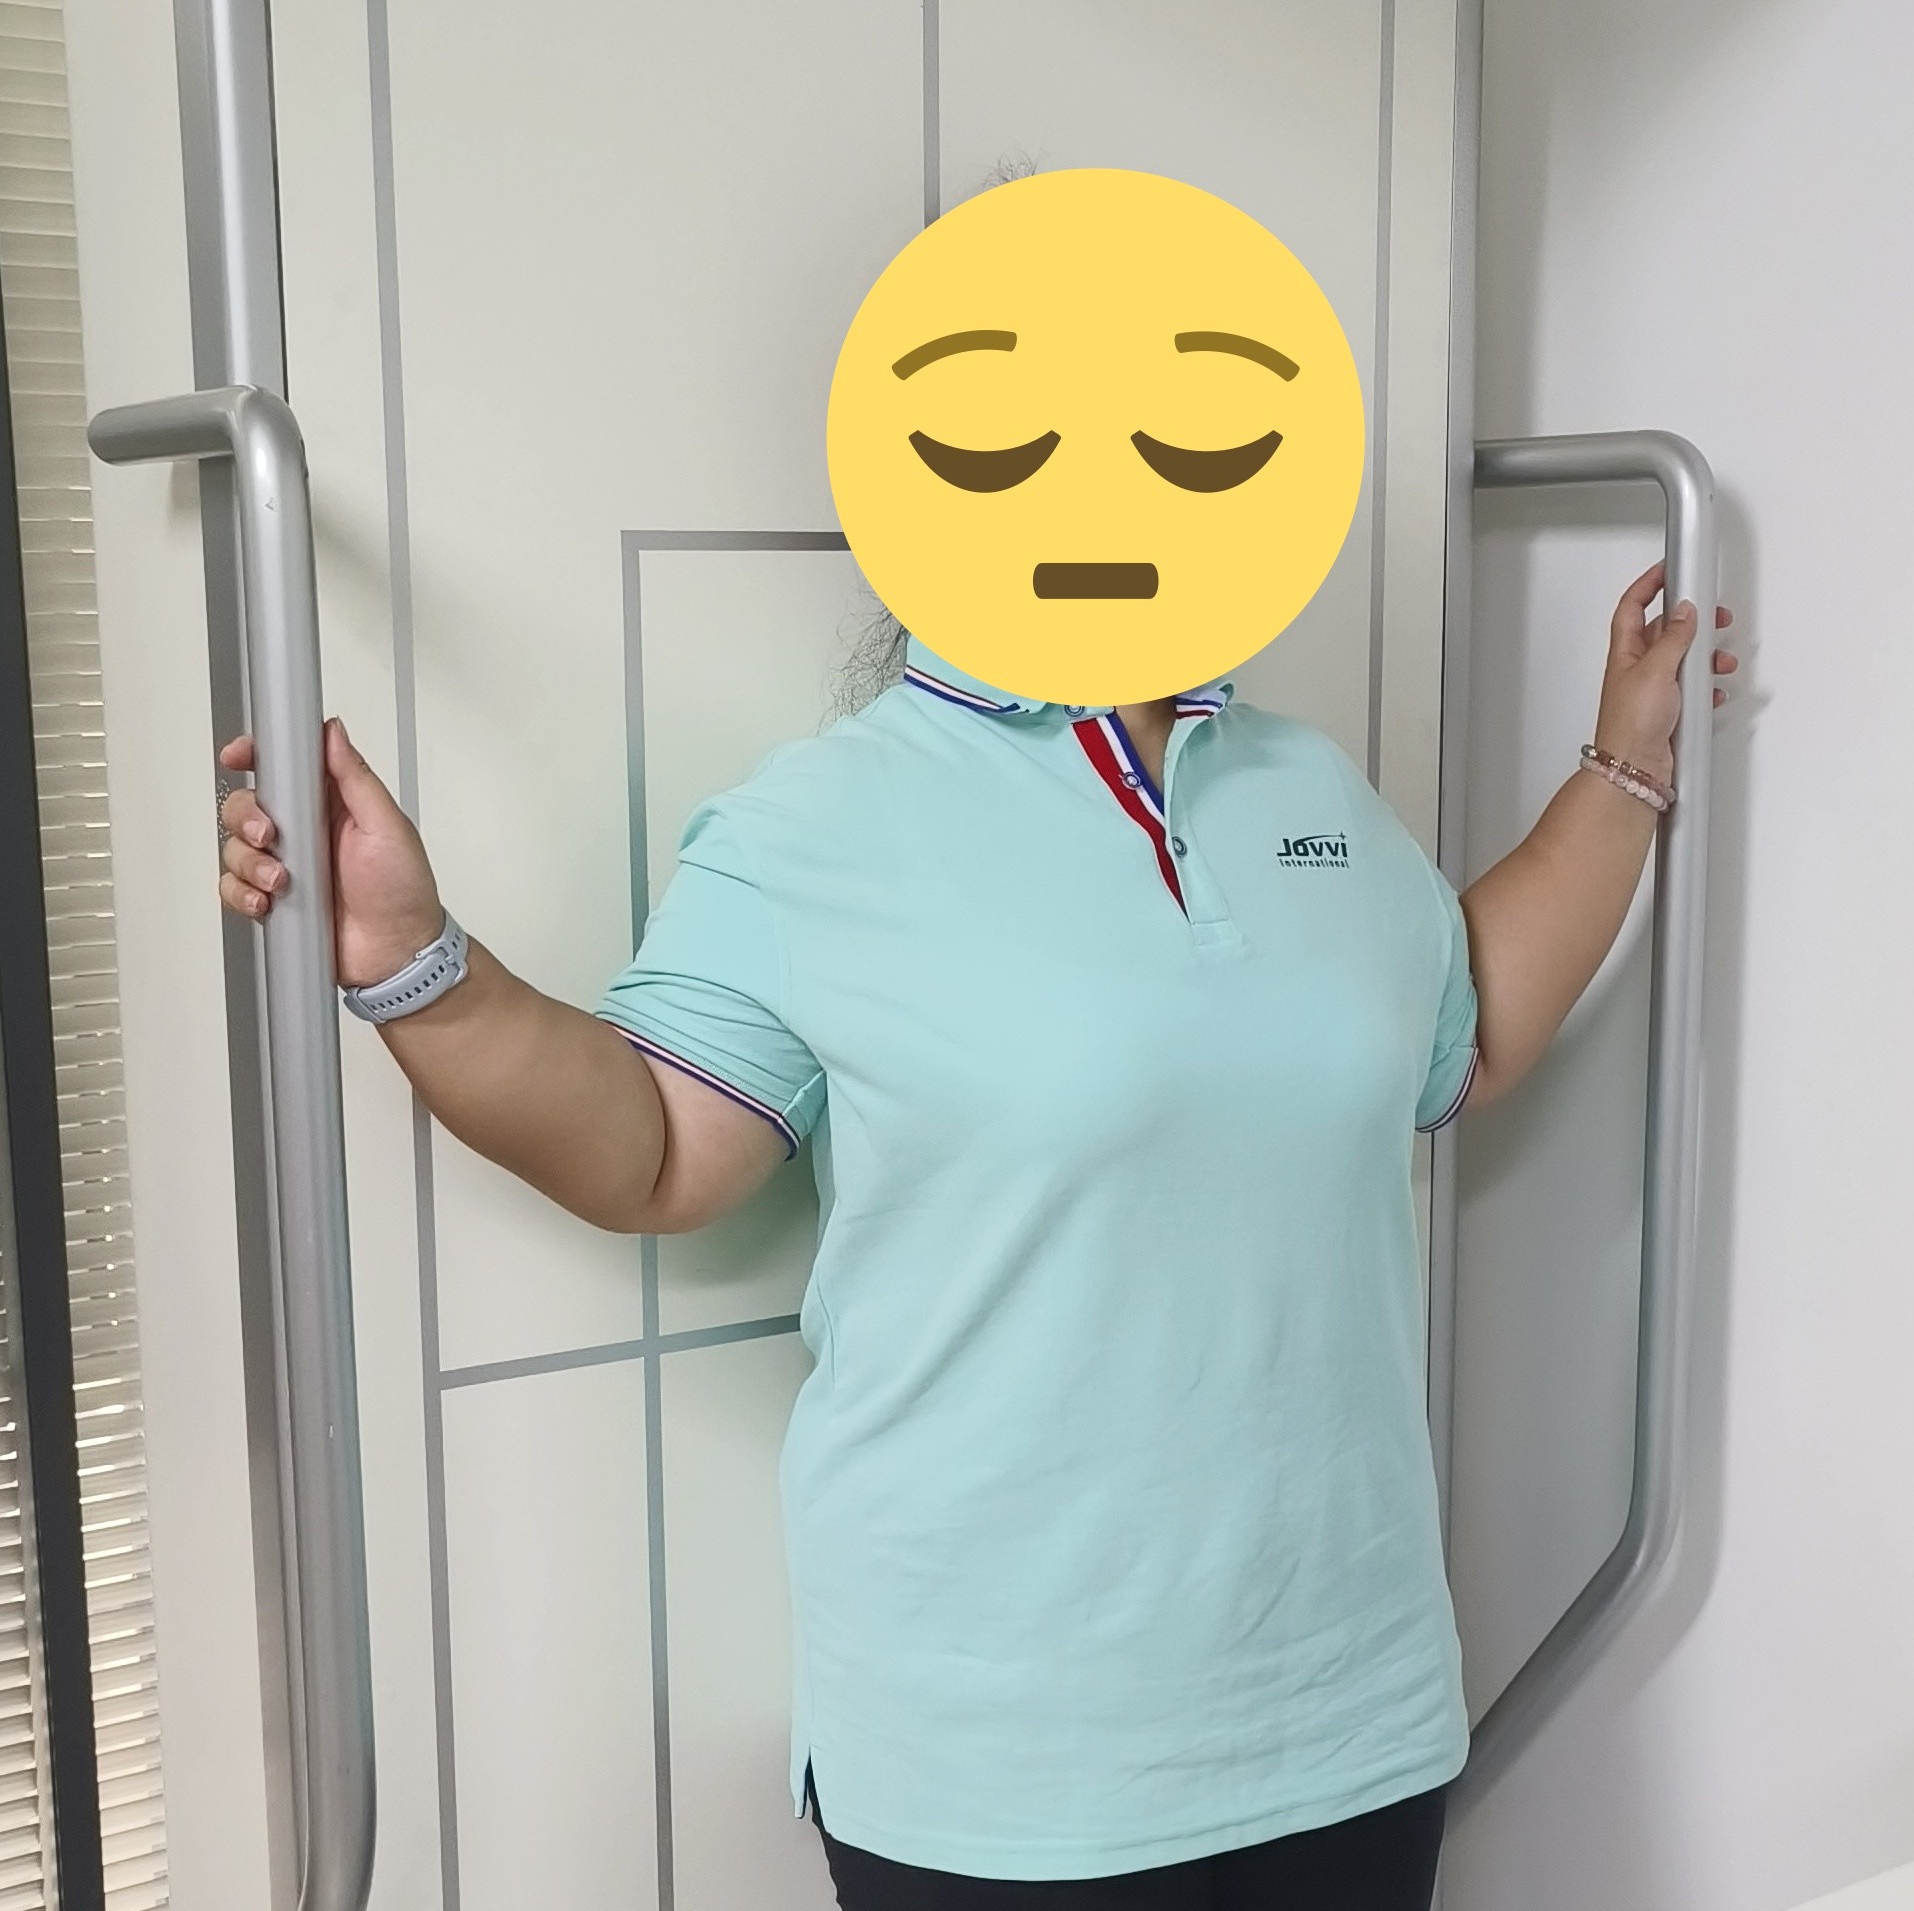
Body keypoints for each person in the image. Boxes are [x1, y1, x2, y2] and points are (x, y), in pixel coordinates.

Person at [217, 570, 1734, 1910]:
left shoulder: (1310, 785)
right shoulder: (821, 822)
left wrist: (1623, 767)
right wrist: (415, 965)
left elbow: (1463, 1034)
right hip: (1004, 1768)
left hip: (1349, 1719)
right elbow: (657, 1149)